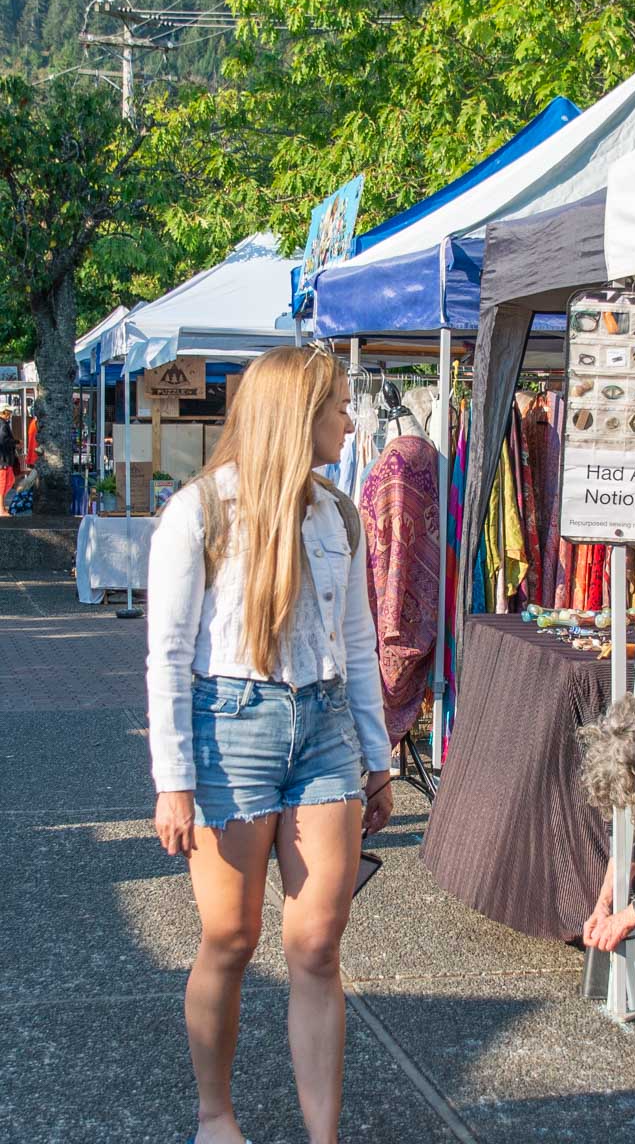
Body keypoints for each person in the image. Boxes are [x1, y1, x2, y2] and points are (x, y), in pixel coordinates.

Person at [147, 347, 393, 1144]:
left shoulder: (340, 513)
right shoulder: (199, 512)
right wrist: (172, 780)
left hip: (323, 729)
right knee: (231, 936)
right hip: (231, 727)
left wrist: (377, 753)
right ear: (297, 415)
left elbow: (356, 640)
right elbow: (167, 656)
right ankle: (215, 1116)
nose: (350, 420)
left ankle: (323, 1137)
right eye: (339, 407)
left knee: (316, 943)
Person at [0, 407, 17, 516]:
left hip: (5, 459)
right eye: (9, 412)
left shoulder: (3, 423)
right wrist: (16, 442)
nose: (10, 414)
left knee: (9, 480)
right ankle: (1, 508)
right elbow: (3, 440)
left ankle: (1, 507)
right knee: (3, 483)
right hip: (3, 459)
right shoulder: (2, 424)